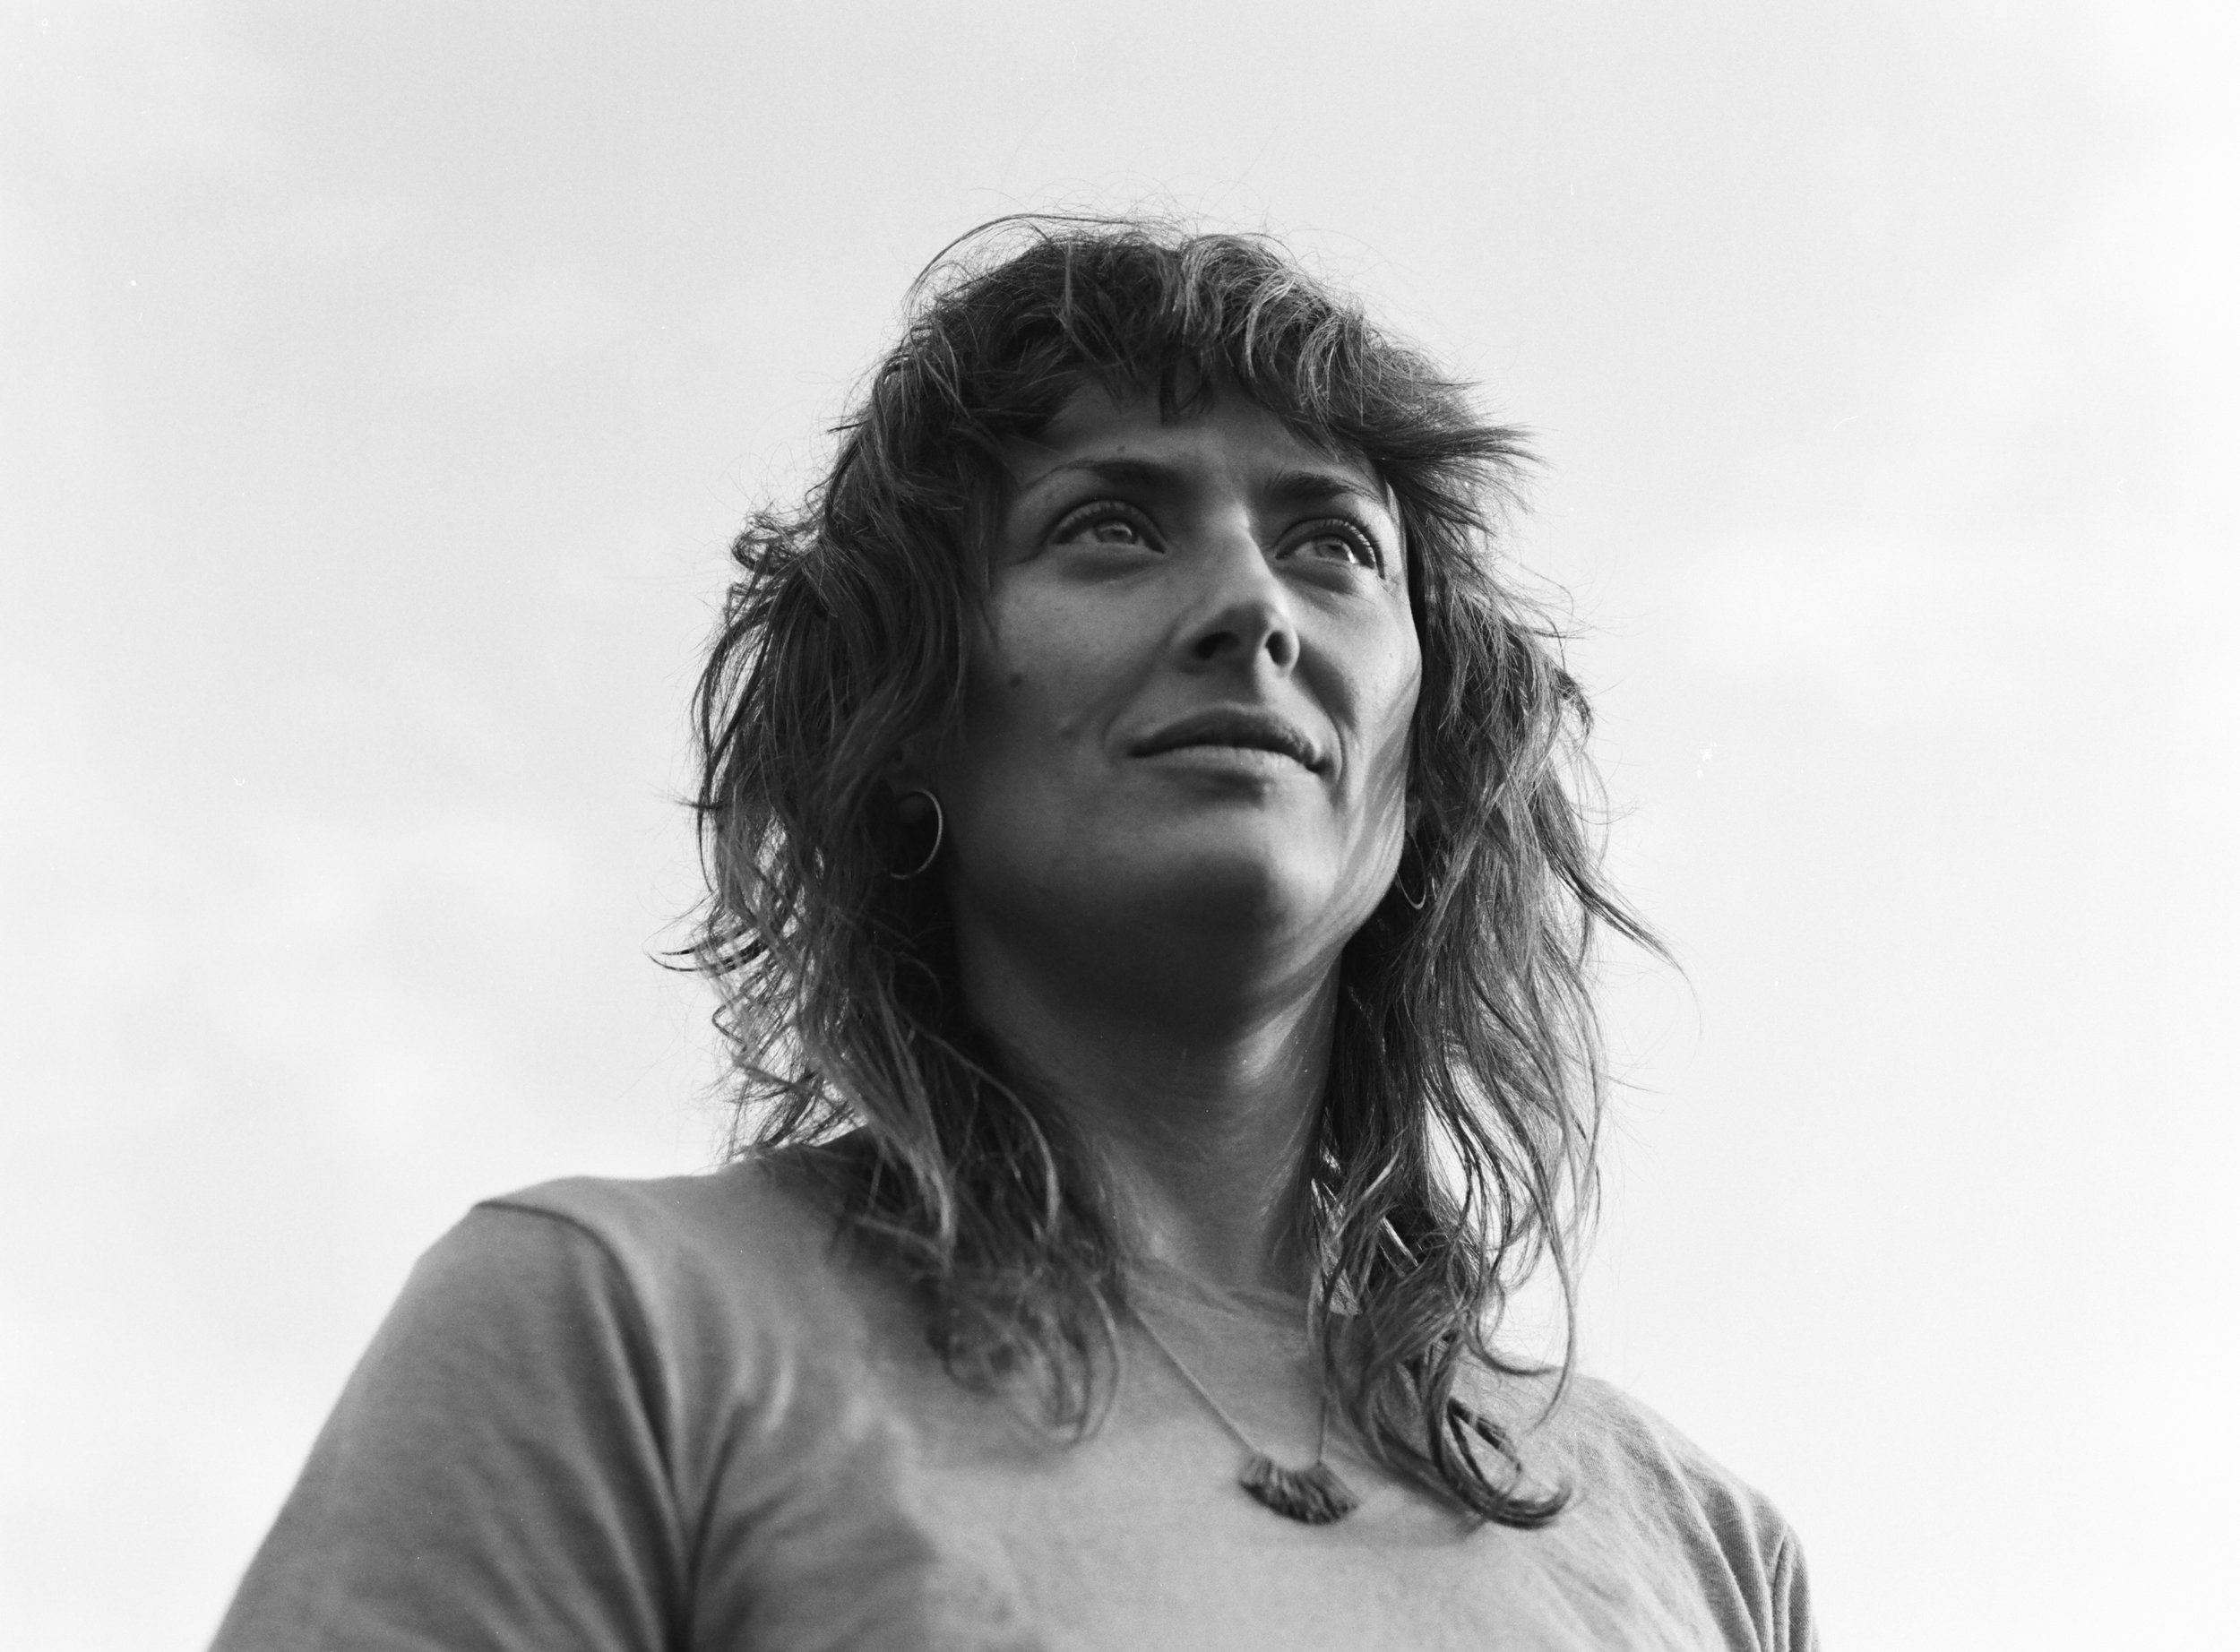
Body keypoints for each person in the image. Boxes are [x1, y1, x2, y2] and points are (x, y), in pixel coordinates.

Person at [211, 218, 1817, 1650]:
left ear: (1427, 758)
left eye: (1332, 545)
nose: (1253, 609)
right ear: (907, 718)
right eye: (1110, 525)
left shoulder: (1703, 1554)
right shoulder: (622, 1333)